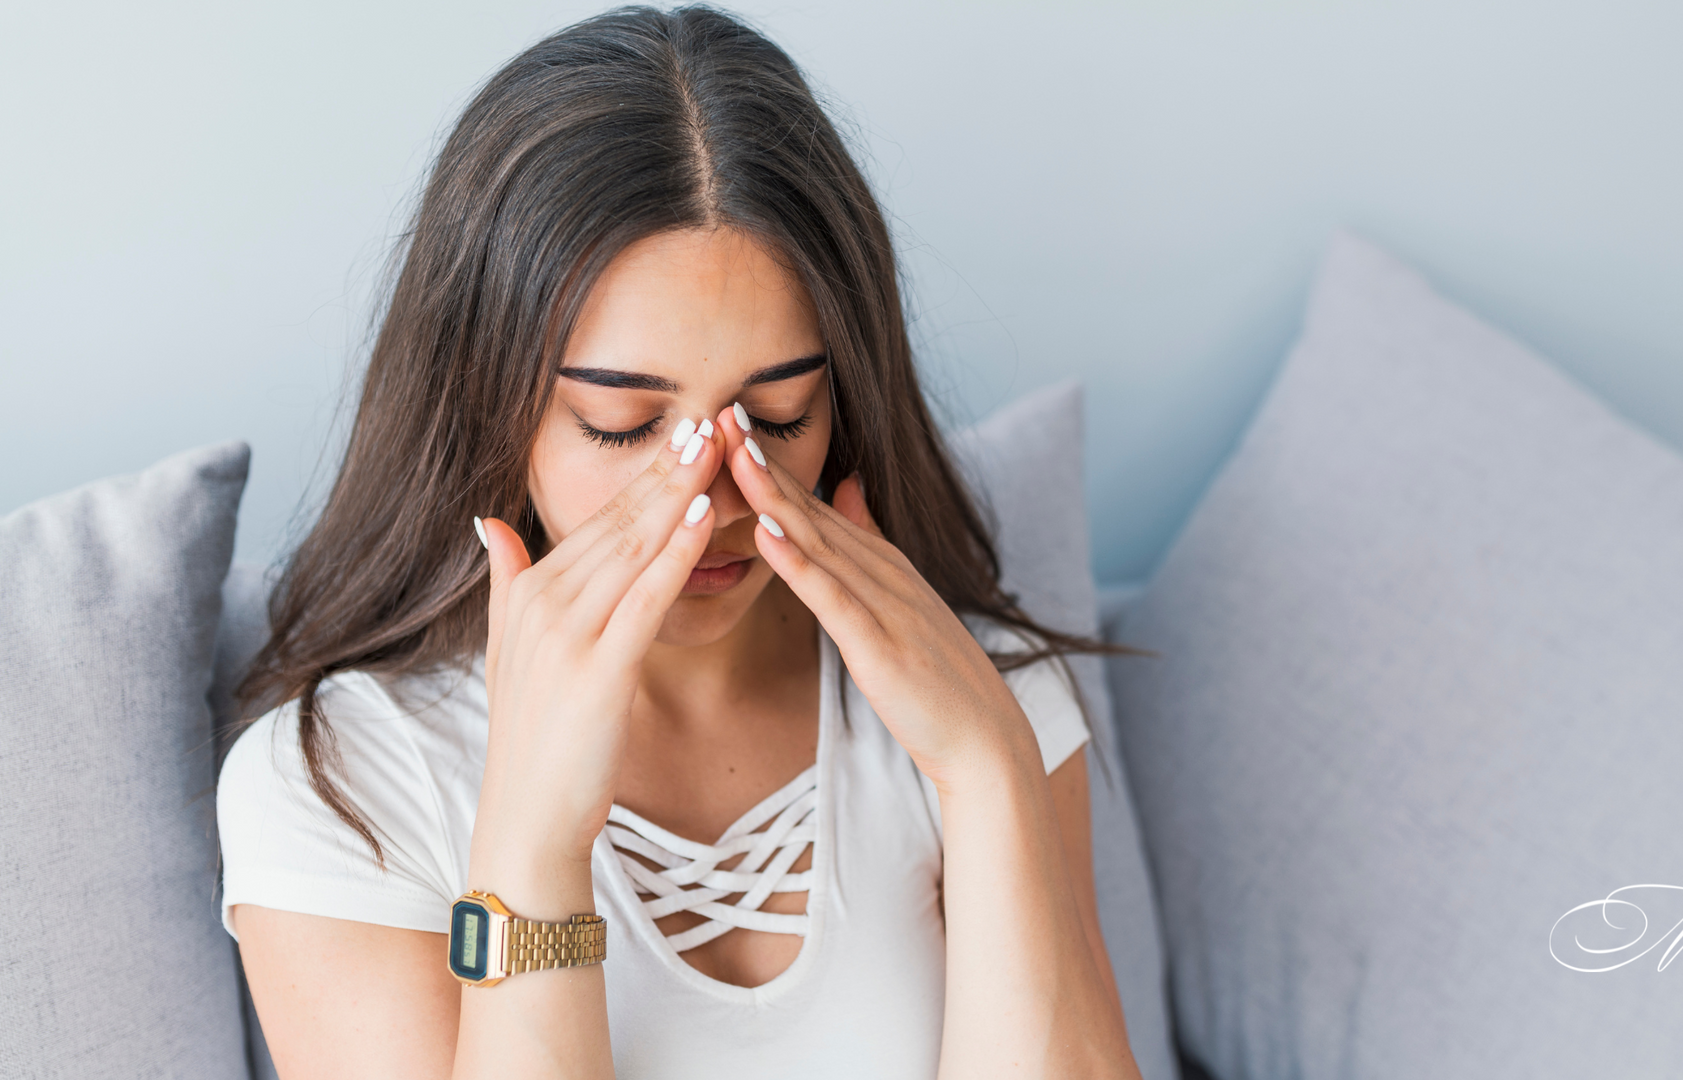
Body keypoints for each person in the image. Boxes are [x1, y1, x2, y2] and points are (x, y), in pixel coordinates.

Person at [215, 5, 1142, 1078]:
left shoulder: (988, 706)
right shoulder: (339, 786)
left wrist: (987, 777)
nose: (710, 494)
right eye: (624, 425)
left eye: (779, 415)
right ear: (485, 404)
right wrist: (534, 844)